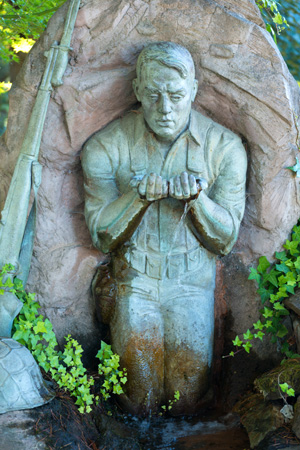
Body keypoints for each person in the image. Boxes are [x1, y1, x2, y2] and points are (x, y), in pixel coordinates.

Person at [81, 42, 247, 415]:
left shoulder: (225, 148)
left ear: (194, 90)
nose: (165, 108)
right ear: (138, 89)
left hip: (192, 283)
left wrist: (198, 201)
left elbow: (226, 240)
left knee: (187, 394)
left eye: (175, 95)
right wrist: (137, 199)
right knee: (139, 396)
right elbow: (102, 235)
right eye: (154, 95)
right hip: (134, 281)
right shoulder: (106, 146)